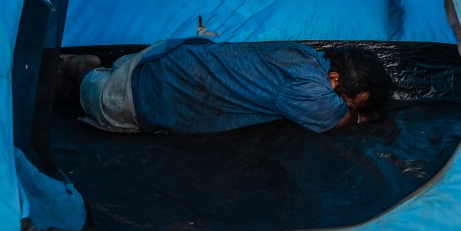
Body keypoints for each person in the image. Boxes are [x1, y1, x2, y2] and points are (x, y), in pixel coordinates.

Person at [57, 39, 393, 135]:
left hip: (161, 55)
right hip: (138, 98)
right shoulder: (311, 89)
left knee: (105, 77)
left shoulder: (303, 55)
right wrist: (364, 119)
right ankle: (80, 67)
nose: (348, 107)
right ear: (333, 81)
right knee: (93, 96)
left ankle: (95, 72)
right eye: (351, 101)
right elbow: (338, 122)